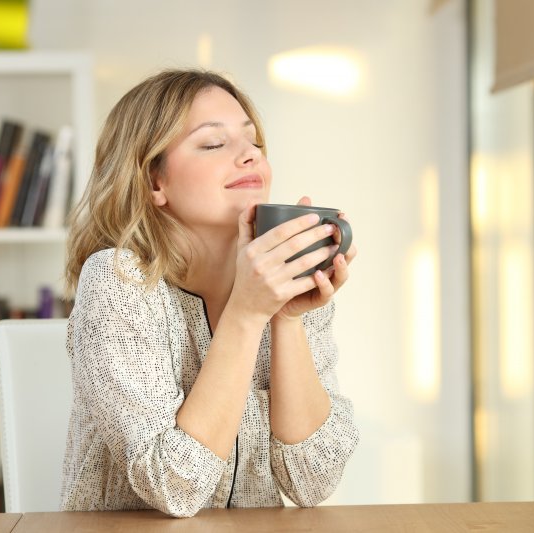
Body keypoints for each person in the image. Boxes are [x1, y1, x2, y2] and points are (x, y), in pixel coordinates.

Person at [60, 69, 359, 518]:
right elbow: (174, 488)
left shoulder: (285, 280)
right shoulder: (117, 282)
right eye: (214, 144)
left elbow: (312, 481)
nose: (249, 157)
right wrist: (246, 313)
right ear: (153, 182)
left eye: (254, 142)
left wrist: (286, 316)